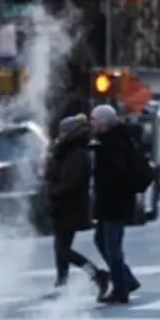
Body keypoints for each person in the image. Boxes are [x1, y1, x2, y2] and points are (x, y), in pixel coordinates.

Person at [45, 115, 110, 296]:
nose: (61, 135)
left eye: (64, 131)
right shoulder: (64, 151)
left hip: (70, 206)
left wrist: (55, 191)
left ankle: (96, 274)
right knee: (60, 247)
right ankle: (61, 281)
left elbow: (73, 181)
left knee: (63, 250)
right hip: (62, 205)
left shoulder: (77, 154)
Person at [89, 104, 141, 305]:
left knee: (112, 246)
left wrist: (104, 184)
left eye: (94, 120)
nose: (92, 124)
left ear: (103, 122)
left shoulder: (113, 144)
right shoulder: (114, 140)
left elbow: (117, 174)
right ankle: (126, 279)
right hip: (112, 201)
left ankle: (121, 287)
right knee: (102, 240)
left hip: (114, 202)